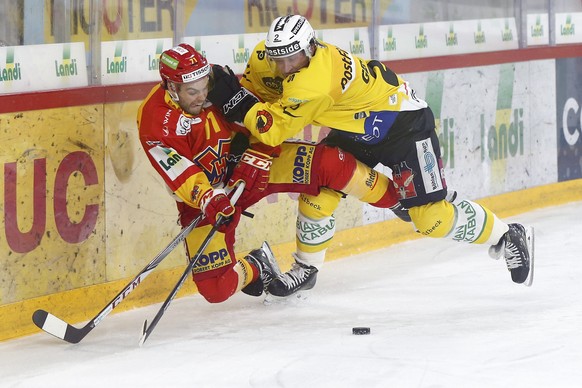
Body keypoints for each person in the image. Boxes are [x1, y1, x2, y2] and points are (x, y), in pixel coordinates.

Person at [206, 15, 535, 288]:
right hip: (356, 127)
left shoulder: (314, 82)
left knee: (430, 219)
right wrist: (237, 117)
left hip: (404, 125)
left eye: (293, 58)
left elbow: (272, 129)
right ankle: (306, 270)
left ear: (311, 47)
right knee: (318, 186)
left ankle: (507, 235)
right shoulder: (268, 59)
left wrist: (236, 100)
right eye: (279, 58)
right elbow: (254, 99)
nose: (285, 66)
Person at [137, 43, 403, 304]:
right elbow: (180, 172)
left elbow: (264, 114)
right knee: (217, 289)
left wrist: (261, 150)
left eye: (204, 85)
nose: (202, 95)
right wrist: (209, 198)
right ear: (172, 87)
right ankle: (258, 263)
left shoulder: (216, 82)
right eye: (193, 91)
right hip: (207, 201)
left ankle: (402, 201)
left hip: (250, 167)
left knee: (330, 165)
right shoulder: (153, 120)